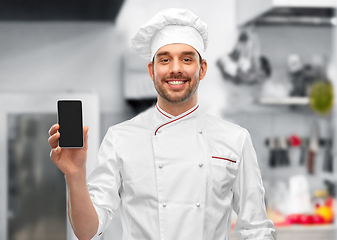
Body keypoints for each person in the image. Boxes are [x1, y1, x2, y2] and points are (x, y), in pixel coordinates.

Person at [48, 8, 275, 240]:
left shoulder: (234, 139)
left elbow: (255, 229)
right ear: (152, 70)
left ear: (202, 68)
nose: (175, 68)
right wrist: (75, 176)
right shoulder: (120, 138)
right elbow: (87, 232)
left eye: (187, 59)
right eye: (165, 60)